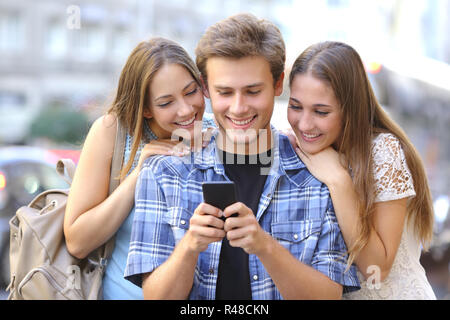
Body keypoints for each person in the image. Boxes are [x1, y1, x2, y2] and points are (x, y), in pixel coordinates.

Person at [125, 13, 360, 300]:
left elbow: (328, 297)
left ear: (277, 84)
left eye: (252, 91)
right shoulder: (164, 172)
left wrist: (264, 246)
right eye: (225, 92)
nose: (238, 108)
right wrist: (190, 245)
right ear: (205, 88)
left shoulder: (316, 173)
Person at [64, 37, 214, 299]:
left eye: (191, 92)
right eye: (166, 103)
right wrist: (139, 173)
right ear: (145, 108)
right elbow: (77, 242)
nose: (186, 109)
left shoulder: (214, 131)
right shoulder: (112, 132)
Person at [287, 41, 436, 299]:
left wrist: (339, 181)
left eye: (321, 111)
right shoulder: (305, 149)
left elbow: (377, 268)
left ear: (350, 110)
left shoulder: (383, 151)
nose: (305, 123)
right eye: (296, 106)